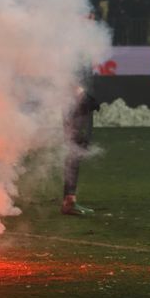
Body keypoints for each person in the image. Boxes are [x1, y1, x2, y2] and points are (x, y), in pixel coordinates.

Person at [62, 87, 101, 215]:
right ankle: (69, 202)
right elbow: (91, 104)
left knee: (73, 162)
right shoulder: (75, 98)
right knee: (73, 162)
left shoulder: (70, 98)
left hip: (75, 131)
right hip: (75, 133)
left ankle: (69, 201)